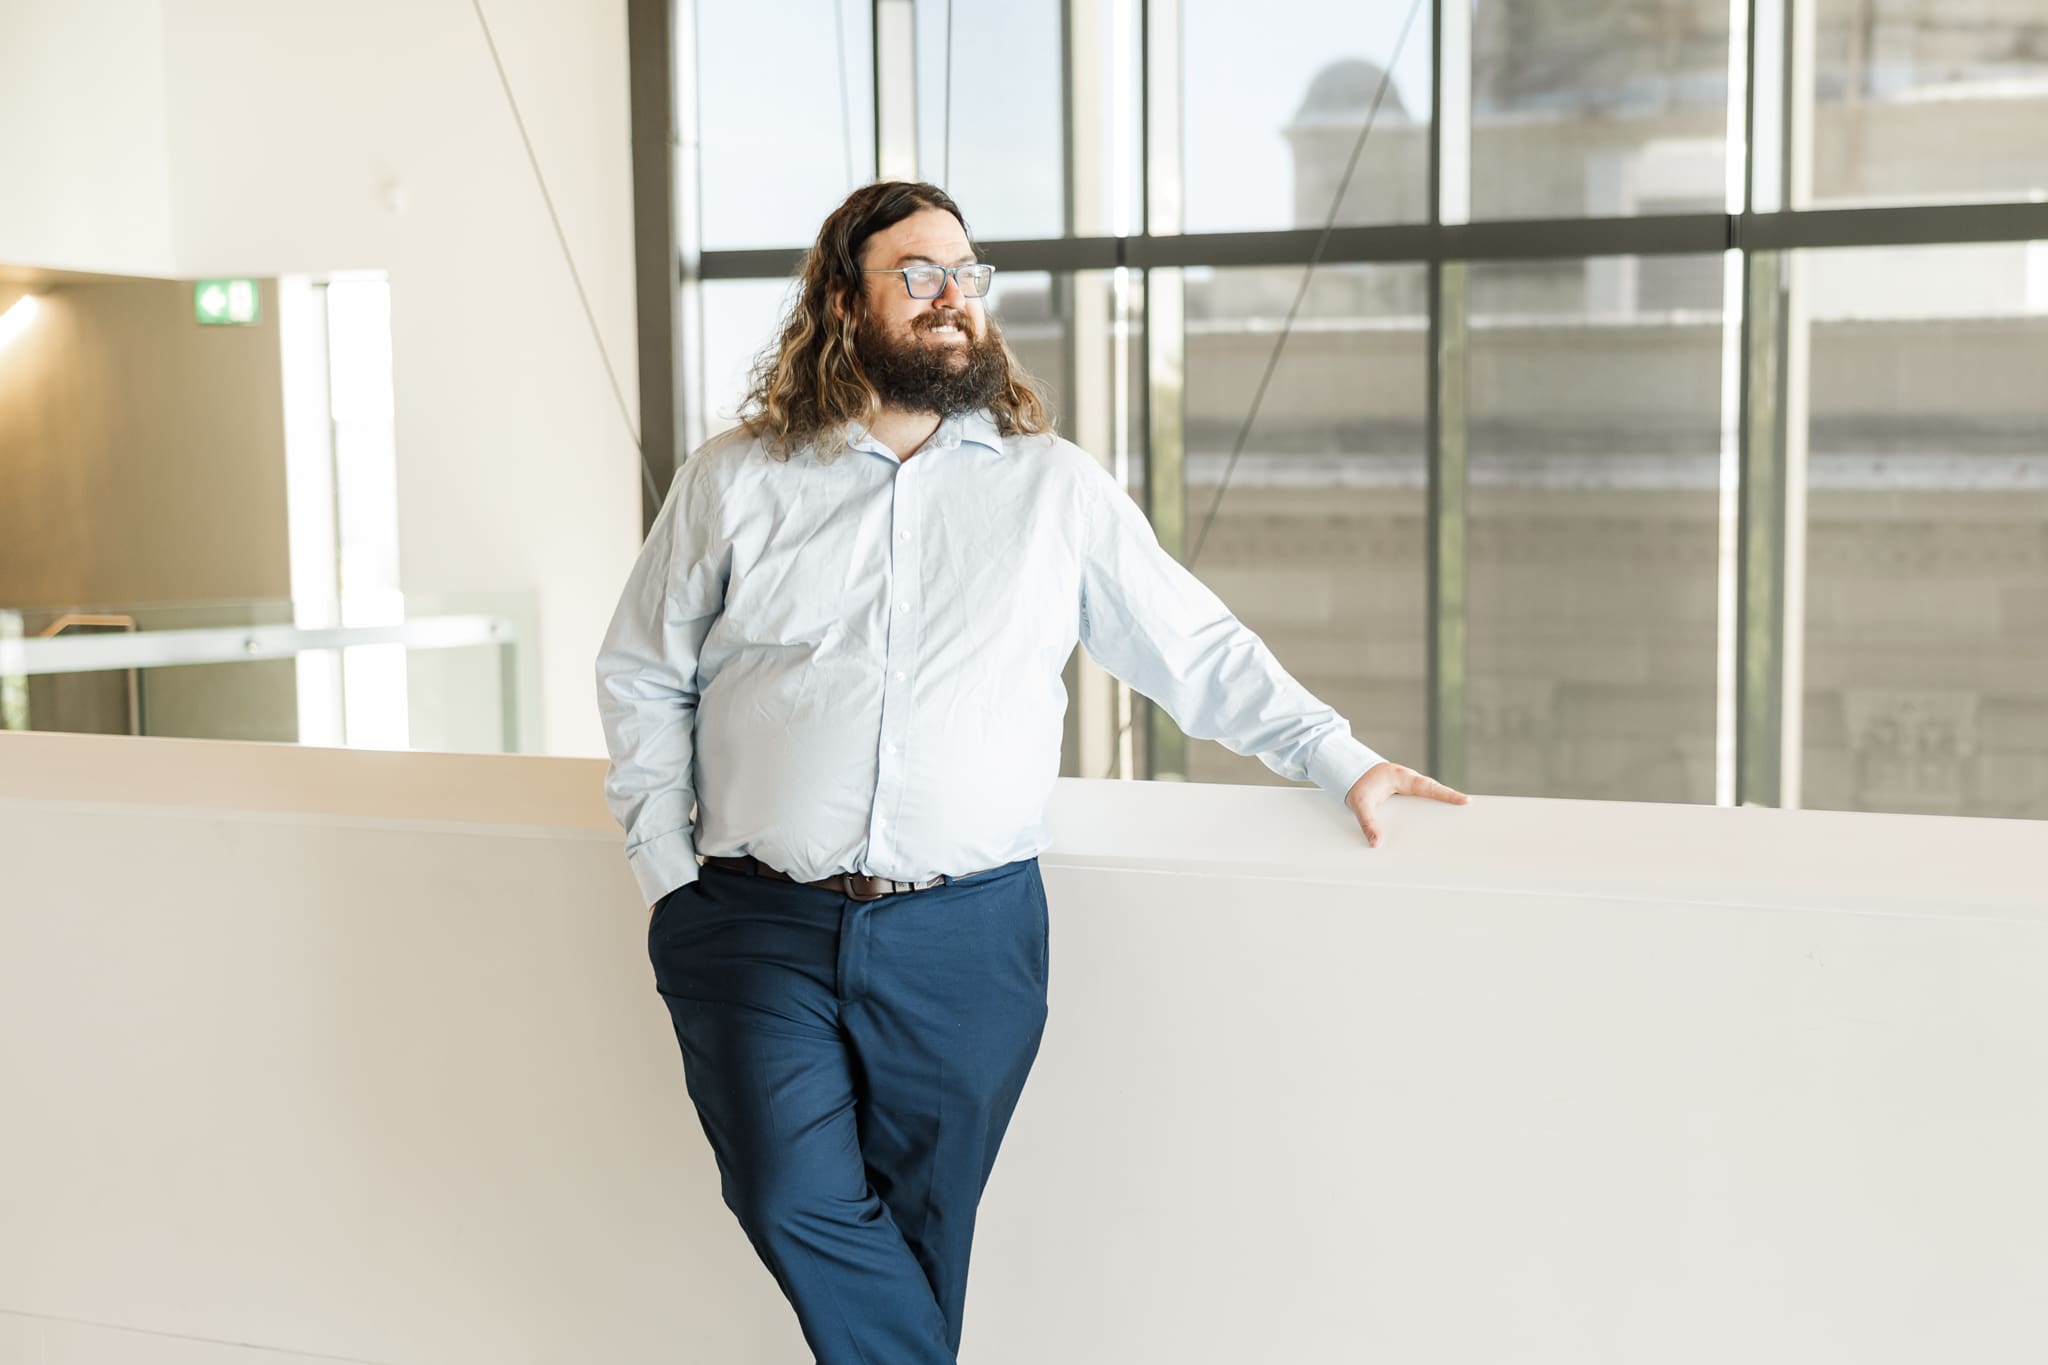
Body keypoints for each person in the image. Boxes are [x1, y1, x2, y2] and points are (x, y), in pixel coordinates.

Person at [595, 180, 1468, 1364]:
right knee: (789, 1197)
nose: (952, 296)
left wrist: (1334, 755)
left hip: (968, 940)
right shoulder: (735, 478)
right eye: (917, 273)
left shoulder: (1051, 486)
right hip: (755, 924)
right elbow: (643, 671)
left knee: (924, 1232)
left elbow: (1190, 646)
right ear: (842, 302)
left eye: (966, 274)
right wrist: (668, 878)